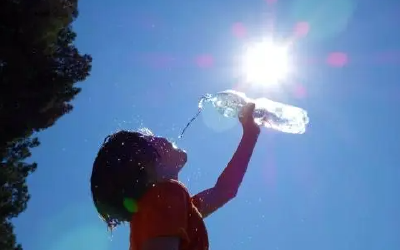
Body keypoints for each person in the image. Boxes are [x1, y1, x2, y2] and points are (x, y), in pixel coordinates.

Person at [90, 103, 260, 250]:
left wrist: (250, 134)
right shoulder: (165, 196)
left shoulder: (169, 209)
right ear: (144, 164)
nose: (160, 137)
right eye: (151, 139)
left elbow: (224, 191)